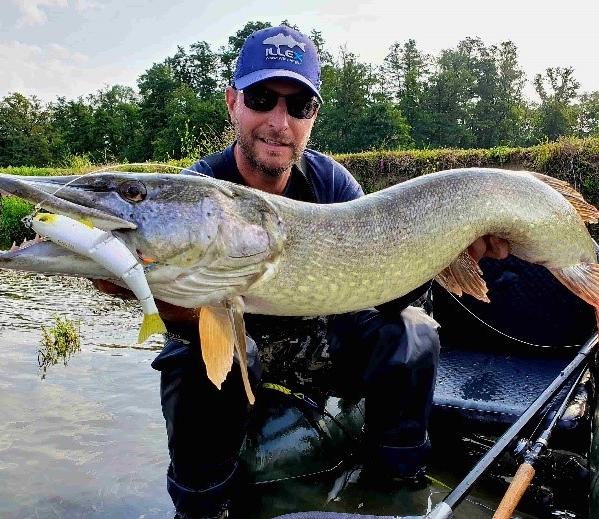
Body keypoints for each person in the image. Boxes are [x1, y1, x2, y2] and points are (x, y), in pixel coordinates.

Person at [96, 26, 508, 519]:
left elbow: (383, 296)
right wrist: (136, 284)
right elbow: (167, 293)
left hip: (320, 343)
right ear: (233, 103)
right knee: (201, 359)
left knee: (412, 332)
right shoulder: (193, 192)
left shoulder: (331, 183)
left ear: (312, 117)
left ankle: (397, 490)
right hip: (233, 337)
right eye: (262, 98)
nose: (278, 121)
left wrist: (440, 255)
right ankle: (201, 506)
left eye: (297, 106)